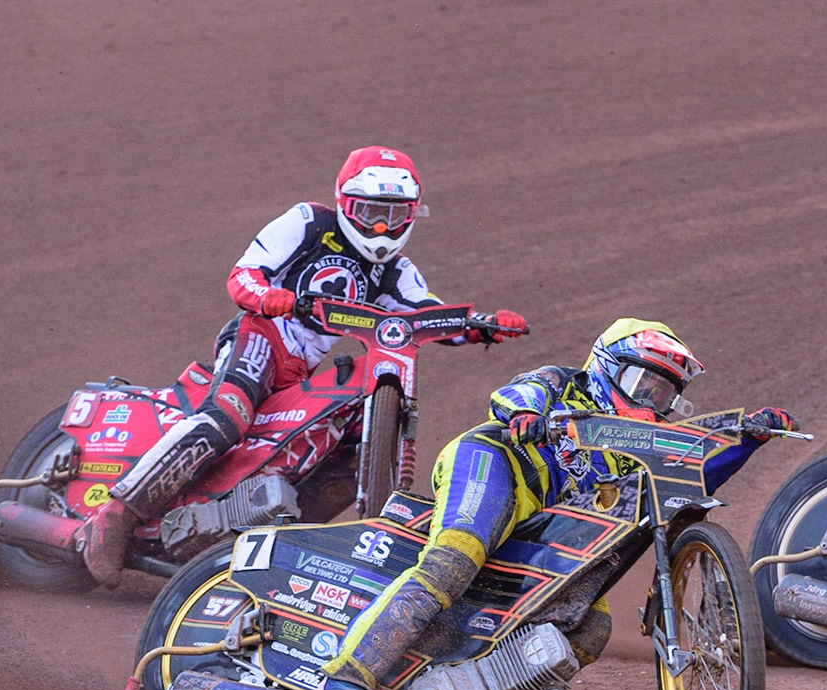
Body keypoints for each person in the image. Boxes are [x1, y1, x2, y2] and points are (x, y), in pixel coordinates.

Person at [312, 318, 798, 690]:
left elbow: (687, 479)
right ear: (606, 366)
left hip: (547, 521)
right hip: (494, 462)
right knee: (453, 561)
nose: (651, 397)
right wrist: (526, 416)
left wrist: (747, 441)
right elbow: (518, 392)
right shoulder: (564, 383)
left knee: (590, 626)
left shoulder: (638, 443)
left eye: (664, 391)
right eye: (642, 381)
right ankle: (347, 682)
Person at [80, 145, 527, 586]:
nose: (380, 226)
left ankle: (271, 542)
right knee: (228, 418)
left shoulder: (394, 270)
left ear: (411, 215)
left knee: (340, 450)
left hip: (301, 370)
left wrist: (480, 326)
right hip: (261, 336)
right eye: (371, 211)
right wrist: (265, 297)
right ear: (344, 203)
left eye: (393, 215)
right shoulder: (309, 223)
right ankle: (116, 516)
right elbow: (244, 272)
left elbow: (425, 316)